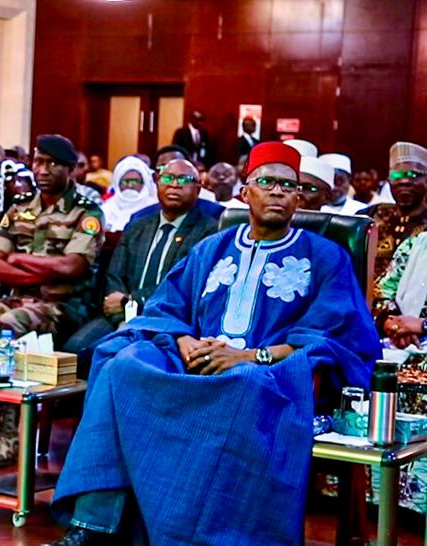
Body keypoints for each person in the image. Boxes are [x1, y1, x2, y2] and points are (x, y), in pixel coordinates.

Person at [47, 142, 379, 545]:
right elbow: (165, 306)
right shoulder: (211, 248)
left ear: (299, 197)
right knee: (122, 363)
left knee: (244, 387)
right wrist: (184, 340)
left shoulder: (326, 256)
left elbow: (335, 334)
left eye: (288, 186)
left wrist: (249, 356)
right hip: (195, 358)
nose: (278, 192)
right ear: (245, 192)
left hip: (264, 373)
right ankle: (94, 525)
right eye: (267, 183)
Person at [0, 135, 103, 467]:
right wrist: (45, 271)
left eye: (52, 164)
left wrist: (19, 259)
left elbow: (73, 267)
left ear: (70, 169)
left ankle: (7, 432)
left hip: (65, 310)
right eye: (38, 162)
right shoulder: (19, 207)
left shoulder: (86, 211)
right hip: (19, 300)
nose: (43, 170)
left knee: (12, 324)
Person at [64, 159, 219, 375]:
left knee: (120, 359)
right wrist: (119, 308)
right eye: (167, 178)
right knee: (74, 351)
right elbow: (114, 274)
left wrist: (131, 302)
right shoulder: (138, 224)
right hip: (120, 316)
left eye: (184, 180)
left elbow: (181, 285)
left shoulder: (209, 231)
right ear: (157, 183)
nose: (174, 185)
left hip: (169, 322)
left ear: (198, 189)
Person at [364, 142, 427, 282]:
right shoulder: (371, 215)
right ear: (389, 181)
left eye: (413, 174)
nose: (404, 181)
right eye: (396, 175)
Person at [375, 231, 427, 349]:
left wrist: (422, 325)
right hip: (400, 344)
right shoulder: (413, 245)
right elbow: (382, 294)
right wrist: (394, 324)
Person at [100, 155, 157, 232]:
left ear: (143, 183)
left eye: (134, 181)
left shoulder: (154, 208)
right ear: (118, 184)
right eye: (126, 181)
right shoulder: (106, 209)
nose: (130, 186)